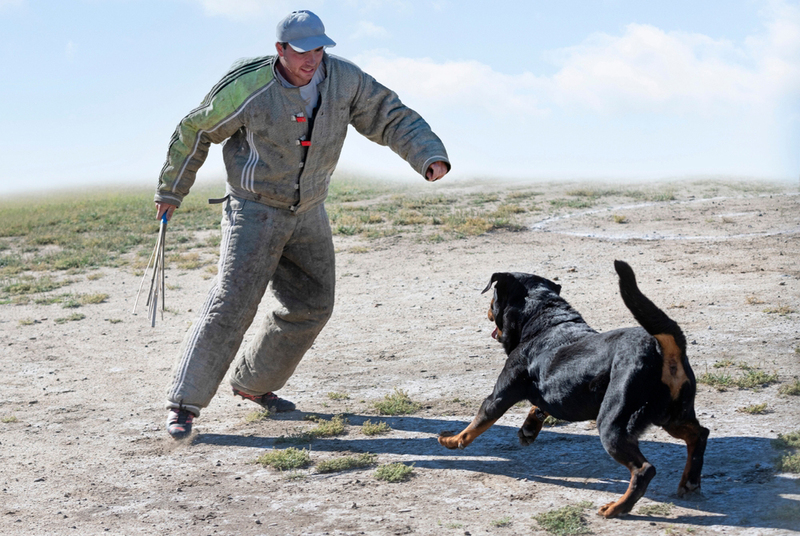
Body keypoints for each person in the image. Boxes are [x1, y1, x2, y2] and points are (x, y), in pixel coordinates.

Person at [154, 10, 450, 439]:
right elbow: (196, 130)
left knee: (312, 305)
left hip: (309, 209)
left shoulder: (344, 79)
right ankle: (183, 404)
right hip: (254, 210)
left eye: (318, 49)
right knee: (232, 303)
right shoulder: (248, 86)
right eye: (301, 51)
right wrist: (171, 190)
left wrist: (428, 154)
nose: (312, 59)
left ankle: (254, 384)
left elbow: (390, 115)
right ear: (280, 50)